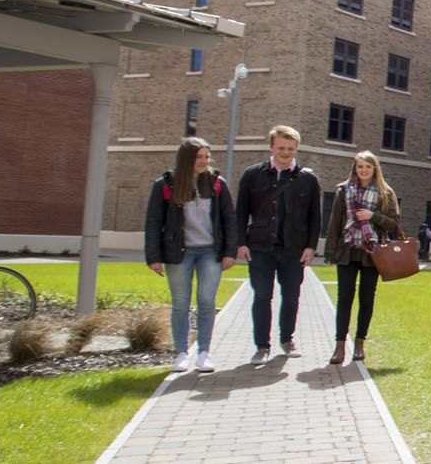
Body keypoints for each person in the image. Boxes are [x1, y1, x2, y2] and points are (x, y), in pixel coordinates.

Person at [143, 137, 238, 373]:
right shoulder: (165, 185)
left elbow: (229, 219)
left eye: (207, 156)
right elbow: (153, 222)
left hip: (209, 252)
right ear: (186, 159)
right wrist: (153, 256)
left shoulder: (217, 184)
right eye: (199, 157)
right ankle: (181, 353)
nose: (204, 161)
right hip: (179, 252)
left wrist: (230, 252)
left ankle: (204, 352)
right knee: (180, 304)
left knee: (207, 302)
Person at [235, 125, 324, 366]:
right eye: (281, 148)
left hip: (294, 248)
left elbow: (315, 216)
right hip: (261, 247)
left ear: (296, 149)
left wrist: (310, 247)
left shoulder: (308, 179)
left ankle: (287, 340)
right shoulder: (252, 175)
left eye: (290, 149)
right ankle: (262, 346)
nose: (286, 153)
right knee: (262, 295)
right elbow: (241, 212)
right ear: (271, 148)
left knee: (291, 297)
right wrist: (241, 243)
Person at [324, 151, 401, 365]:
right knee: (344, 298)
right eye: (360, 167)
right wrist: (330, 253)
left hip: (372, 254)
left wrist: (372, 216)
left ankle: (359, 343)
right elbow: (335, 224)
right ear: (355, 169)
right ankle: (340, 345)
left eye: (367, 166)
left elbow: (393, 223)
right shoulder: (344, 190)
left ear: (374, 168)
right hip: (347, 250)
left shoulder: (385, 193)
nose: (364, 170)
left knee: (367, 299)